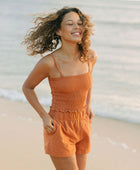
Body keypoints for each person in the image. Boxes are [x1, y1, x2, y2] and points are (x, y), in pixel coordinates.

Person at [22, 6, 97, 170]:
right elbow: (27, 87)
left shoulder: (90, 56)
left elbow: (87, 82)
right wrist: (43, 116)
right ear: (58, 31)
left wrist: (88, 104)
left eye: (79, 23)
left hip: (83, 123)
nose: (77, 27)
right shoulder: (49, 63)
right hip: (59, 126)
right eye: (70, 24)